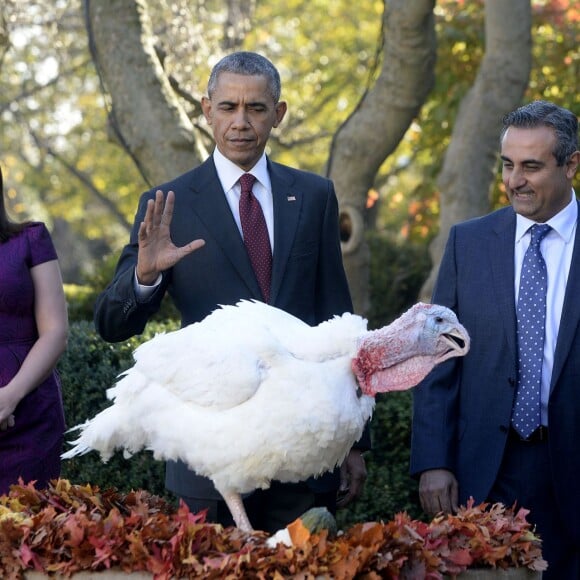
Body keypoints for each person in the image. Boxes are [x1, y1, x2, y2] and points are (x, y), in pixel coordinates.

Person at [94, 51, 369, 533]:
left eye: (256, 109)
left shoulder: (314, 196)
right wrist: (146, 277)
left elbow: (337, 319)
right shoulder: (168, 204)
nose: (241, 122)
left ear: (278, 114)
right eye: (228, 107)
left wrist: (355, 441)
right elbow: (112, 325)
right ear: (206, 110)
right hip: (211, 463)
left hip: (301, 452)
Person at [410, 100, 579, 578]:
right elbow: (438, 358)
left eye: (531, 166)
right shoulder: (469, 242)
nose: (514, 180)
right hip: (485, 470)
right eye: (508, 164)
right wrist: (433, 461)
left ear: (571, 165)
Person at [0, 163, 68, 495]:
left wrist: (9, 397)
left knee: (27, 536)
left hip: (30, 420)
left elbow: (55, 330)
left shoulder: (31, 239)